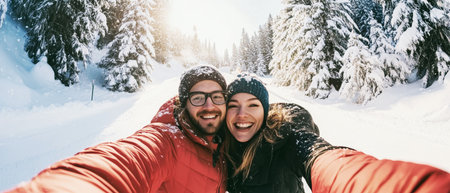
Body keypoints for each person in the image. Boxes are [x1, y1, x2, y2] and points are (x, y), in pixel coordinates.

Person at [4, 65, 228, 193]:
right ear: (183, 103)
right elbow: (122, 162)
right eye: (198, 98)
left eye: (216, 97)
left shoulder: (227, 140)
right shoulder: (167, 140)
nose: (209, 106)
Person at [223, 73, 450, 193]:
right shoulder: (220, 144)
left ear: (265, 111)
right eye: (234, 105)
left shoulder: (286, 136)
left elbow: (322, 159)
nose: (242, 114)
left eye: (253, 105)